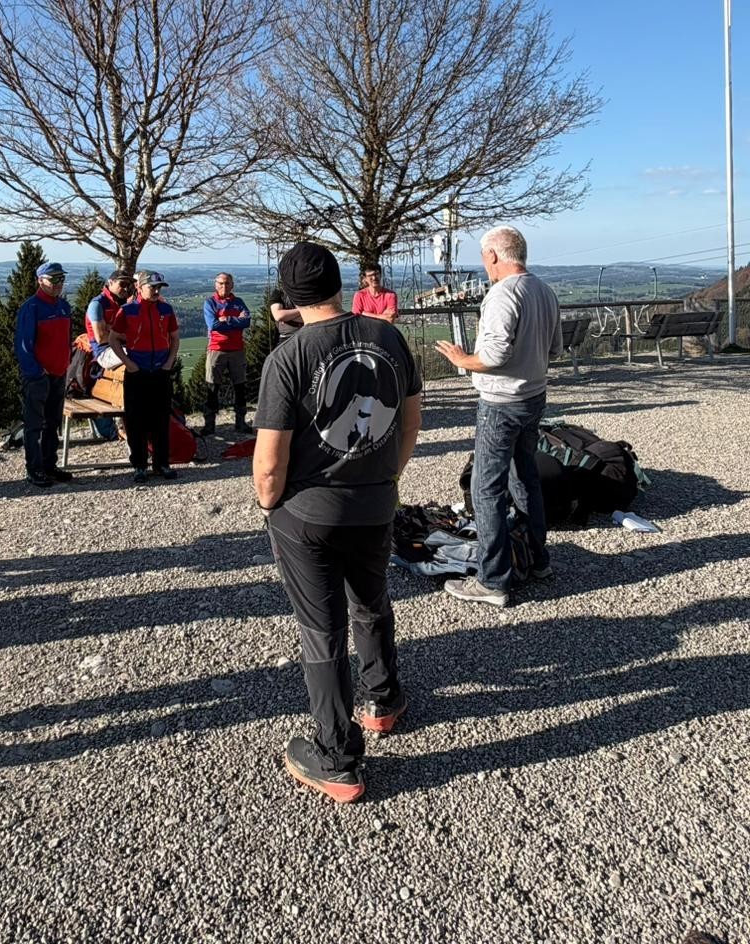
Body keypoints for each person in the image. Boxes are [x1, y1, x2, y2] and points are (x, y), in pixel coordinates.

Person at [253, 242, 422, 804]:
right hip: (376, 502)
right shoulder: (388, 337)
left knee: (321, 628)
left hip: (309, 512)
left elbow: (269, 461)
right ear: (338, 282)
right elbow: (410, 421)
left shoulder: (289, 357)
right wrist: (387, 477)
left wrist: (269, 505)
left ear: (291, 296)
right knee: (371, 601)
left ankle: (336, 756)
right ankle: (382, 699)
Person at [434, 226, 562, 608]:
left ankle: (493, 581)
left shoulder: (502, 294)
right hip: (534, 396)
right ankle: (538, 560)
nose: (484, 265)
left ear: (492, 255)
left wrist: (462, 359)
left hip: (501, 402)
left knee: (485, 488)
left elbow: (492, 357)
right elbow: (555, 349)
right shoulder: (544, 290)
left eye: (483, 257)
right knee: (525, 478)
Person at [108, 270, 180, 484]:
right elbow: (113, 339)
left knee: (161, 419)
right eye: (152, 287)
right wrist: (128, 363)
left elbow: (175, 337)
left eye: (159, 287)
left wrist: (169, 362)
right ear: (139, 288)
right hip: (137, 372)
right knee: (136, 421)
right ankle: (139, 465)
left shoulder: (166, 309)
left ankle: (162, 463)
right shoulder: (127, 310)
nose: (157, 291)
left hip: (160, 371)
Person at [15, 262, 74, 487]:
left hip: (59, 373)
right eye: (53, 279)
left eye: (61, 279)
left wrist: (65, 363)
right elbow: (23, 345)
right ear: (40, 280)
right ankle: (34, 469)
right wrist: (37, 371)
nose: (58, 283)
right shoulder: (31, 307)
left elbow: (66, 339)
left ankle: (50, 465)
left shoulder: (64, 306)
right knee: (34, 424)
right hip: (38, 376)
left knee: (53, 422)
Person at [201, 273, 253, 436]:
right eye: (221, 283)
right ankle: (209, 425)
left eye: (227, 283)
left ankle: (240, 422)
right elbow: (213, 325)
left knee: (240, 387)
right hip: (217, 349)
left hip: (237, 350)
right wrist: (236, 321)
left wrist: (227, 319)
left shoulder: (239, 302)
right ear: (215, 284)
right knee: (212, 387)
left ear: (232, 285)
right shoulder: (210, 303)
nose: (224, 286)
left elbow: (247, 321)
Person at [85, 272, 135, 368]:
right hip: (103, 351)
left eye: (128, 285)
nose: (126, 288)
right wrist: (123, 336)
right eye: (122, 284)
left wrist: (110, 329)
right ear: (111, 282)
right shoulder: (97, 304)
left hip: (120, 346)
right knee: (138, 353)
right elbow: (101, 338)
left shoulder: (119, 303)